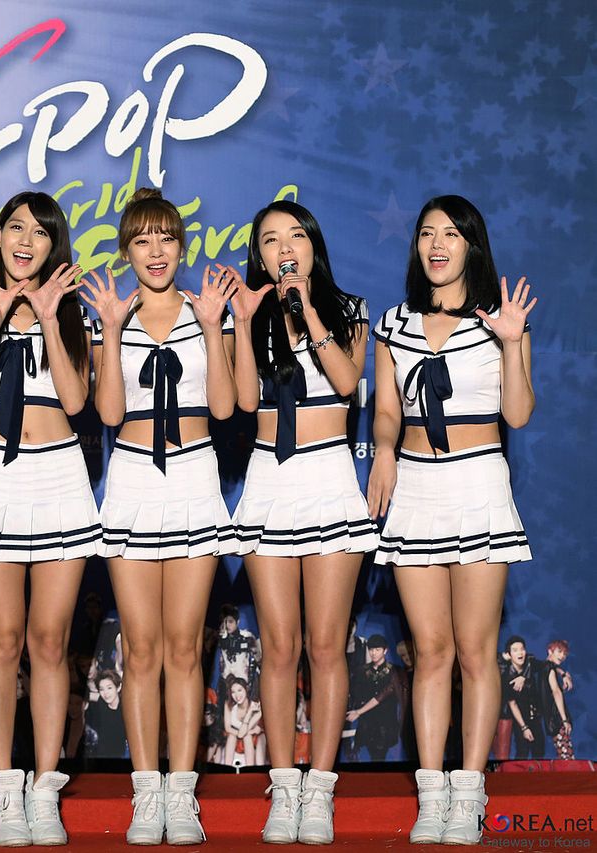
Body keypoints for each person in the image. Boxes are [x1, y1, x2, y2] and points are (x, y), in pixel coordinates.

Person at [368, 195, 535, 844]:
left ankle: (469, 792)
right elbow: (387, 409)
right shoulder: (394, 323)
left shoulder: (499, 320)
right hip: (416, 491)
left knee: (474, 651)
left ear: (472, 245)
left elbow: (517, 414)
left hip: (479, 485)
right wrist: (385, 450)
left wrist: (512, 344)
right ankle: (432, 794)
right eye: (426, 234)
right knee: (431, 650)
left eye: (450, 234)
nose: (437, 244)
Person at [0, 190, 100, 847]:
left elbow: (76, 400)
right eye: (14, 227)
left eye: (39, 231)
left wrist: (48, 316)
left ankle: (45, 788)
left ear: (54, 243)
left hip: (60, 477)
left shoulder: (73, 311)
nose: (25, 240)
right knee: (2, 641)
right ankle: (4, 787)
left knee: (50, 641)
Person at [81, 187, 237, 846]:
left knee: (183, 646)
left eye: (166, 238)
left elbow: (225, 408)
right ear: (126, 250)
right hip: (134, 481)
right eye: (142, 239)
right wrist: (113, 331)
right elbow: (109, 414)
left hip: (196, 476)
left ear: (181, 245)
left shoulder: (208, 313)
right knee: (140, 647)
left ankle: (183, 791)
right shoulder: (109, 317)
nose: (155, 251)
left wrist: (213, 326)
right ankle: (147, 792)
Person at [230, 199, 376, 844]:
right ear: (258, 255)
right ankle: (283, 784)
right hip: (269, 479)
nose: (284, 247)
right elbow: (242, 401)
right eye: (270, 240)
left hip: (329, 478)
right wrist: (241, 322)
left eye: (295, 236)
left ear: (314, 245)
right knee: (280, 646)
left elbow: (345, 381)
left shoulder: (350, 310)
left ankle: (320, 788)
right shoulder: (249, 313)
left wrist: (308, 310)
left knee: (325, 645)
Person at [347, 635, 402, 761]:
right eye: (371, 650)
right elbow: (356, 692)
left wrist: (359, 711)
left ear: (385, 651)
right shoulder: (362, 671)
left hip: (386, 722)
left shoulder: (394, 671)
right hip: (366, 722)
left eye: (377, 650)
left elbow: (385, 695)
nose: (373, 653)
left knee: (379, 756)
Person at [223, 676, 266, 767]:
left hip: (251, 738)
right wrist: (249, 731)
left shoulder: (255, 706)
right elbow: (228, 728)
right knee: (232, 736)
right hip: (236, 735)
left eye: (239, 690)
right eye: (233, 692)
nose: (237, 695)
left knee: (247, 737)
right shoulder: (228, 704)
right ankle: (227, 768)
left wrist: (249, 712)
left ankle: (250, 768)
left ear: (246, 689)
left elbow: (244, 732)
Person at [84, 669, 128, 758]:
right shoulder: (100, 702)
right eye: (101, 689)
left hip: (123, 754)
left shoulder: (126, 707)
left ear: (118, 687)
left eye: (109, 688)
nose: (106, 693)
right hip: (102, 754)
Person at [543, 640, 574, 759]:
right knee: (566, 756)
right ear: (550, 651)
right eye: (559, 651)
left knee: (564, 754)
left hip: (550, 718)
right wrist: (564, 720)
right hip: (556, 718)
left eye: (565, 654)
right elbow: (556, 692)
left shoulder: (544, 667)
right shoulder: (548, 668)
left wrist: (563, 674)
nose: (562, 656)